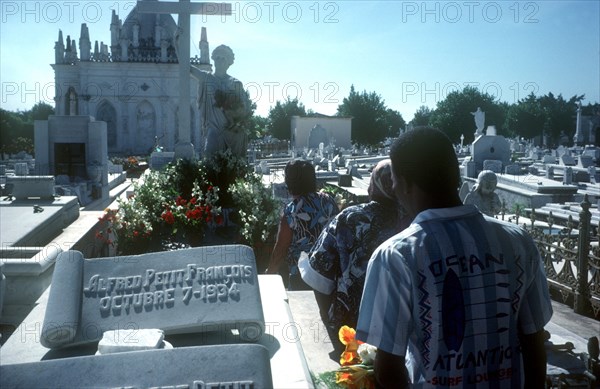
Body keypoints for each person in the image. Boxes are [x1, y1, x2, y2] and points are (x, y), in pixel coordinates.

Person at [356, 127, 552, 388]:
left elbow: (388, 366)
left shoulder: (396, 256)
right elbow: (534, 341)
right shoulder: (517, 241)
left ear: (402, 183)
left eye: (393, 181)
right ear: (456, 175)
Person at [299, 159, 411, 334]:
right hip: (401, 326)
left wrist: (330, 319)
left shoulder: (350, 218)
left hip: (352, 325)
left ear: (374, 184)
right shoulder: (412, 220)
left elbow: (318, 273)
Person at [265, 160, 339, 290]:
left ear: (290, 182)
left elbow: (281, 249)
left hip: (303, 277)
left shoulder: (291, 212)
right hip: (330, 274)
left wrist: (269, 273)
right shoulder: (328, 201)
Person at [191, 45, 251, 158]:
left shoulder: (236, 83)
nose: (220, 61)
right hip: (214, 128)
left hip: (231, 129)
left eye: (223, 58)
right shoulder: (207, 78)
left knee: (235, 163)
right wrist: (178, 44)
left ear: (229, 62)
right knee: (210, 155)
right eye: (217, 57)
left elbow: (244, 109)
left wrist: (234, 112)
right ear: (213, 60)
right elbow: (187, 67)